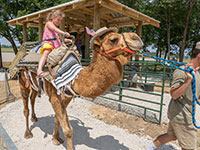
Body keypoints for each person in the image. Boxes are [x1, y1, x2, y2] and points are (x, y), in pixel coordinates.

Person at [146, 42, 200, 150]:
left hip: (179, 113)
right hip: (183, 116)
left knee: (171, 135)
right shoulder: (181, 71)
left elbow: (196, 95)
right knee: (190, 147)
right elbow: (174, 94)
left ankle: (149, 147)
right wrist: (188, 80)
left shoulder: (198, 73)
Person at [37, 10, 71, 77]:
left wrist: (68, 40)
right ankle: (39, 70)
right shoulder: (49, 24)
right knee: (46, 52)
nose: (59, 22)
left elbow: (60, 39)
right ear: (52, 17)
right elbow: (54, 29)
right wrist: (63, 33)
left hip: (56, 45)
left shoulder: (57, 29)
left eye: (60, 20)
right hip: (48, 43)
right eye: (58, 19)